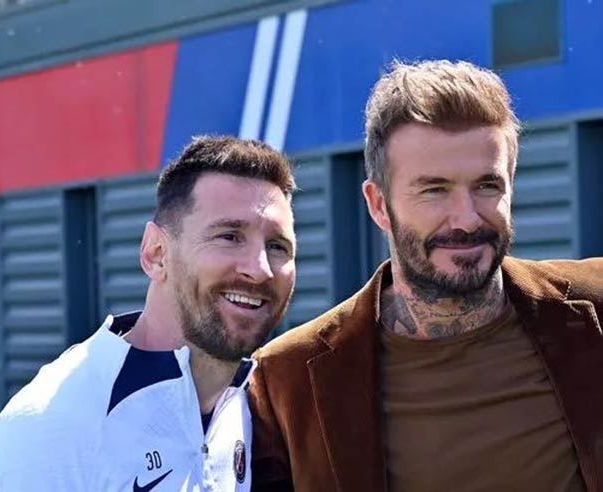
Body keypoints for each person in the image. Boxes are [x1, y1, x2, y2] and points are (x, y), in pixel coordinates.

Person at [248, 60, 603, 491]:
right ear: (379, 204)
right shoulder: (289, 378)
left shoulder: (595, 305)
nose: (466, 219)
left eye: (486, 186)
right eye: (434, 190)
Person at [0, 136, 297, 492]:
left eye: (277, 246)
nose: (260, 269)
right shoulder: (48, 428)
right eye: (229, 236)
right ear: (156, 253)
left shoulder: (255, 407)